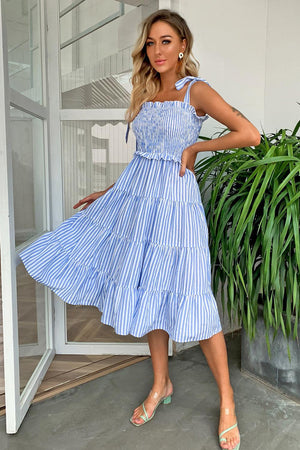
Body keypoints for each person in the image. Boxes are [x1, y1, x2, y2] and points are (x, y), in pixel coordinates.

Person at [19, 8, 260, 450]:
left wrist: (197, 145)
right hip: (136, 201)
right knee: (150, 291)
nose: (157, 50)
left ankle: (226, 400)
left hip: (176, 207)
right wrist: (106, 193)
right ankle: (160, 384)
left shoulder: (196, 90)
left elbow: (249, 133)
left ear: (183, 44)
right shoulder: (146, 94)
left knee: (193, 296)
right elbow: (141, 160)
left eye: (165, 41)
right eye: (151, 42)